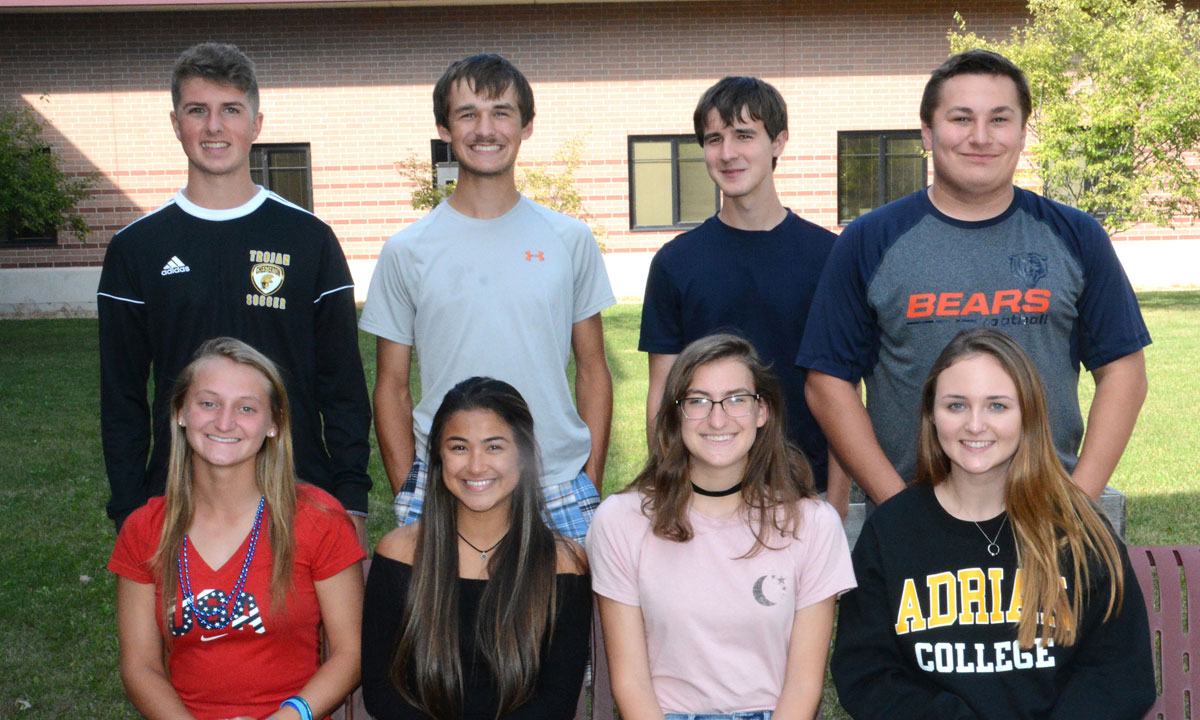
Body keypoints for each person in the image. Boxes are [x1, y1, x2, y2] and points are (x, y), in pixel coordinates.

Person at [797, 49, 1150, 508]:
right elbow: (827, 381)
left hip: (1044, 508)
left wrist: (1079, 500)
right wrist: (897, 507)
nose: (980, 137)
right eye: (961, 118)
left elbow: (1124, 370)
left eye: (1000, 120)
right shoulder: (869, 240)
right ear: (927, 131)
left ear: (1023, 133)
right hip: (912, 507)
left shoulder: (1076, 236)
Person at [831, 328, 1153, 720]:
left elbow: (1119, 670)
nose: (974, 425)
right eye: (956, 405)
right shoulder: (894, 532)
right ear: (931, 415)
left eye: (997, 406)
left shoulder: (1077, 528)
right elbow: (868, 675)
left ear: (1028, 415)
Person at [98, 42, 371, 540]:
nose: (214, 127)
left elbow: (343, 384)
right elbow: (121, 396)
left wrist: (351, 495)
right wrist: (128, 508)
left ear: (256, 123)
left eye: (231, 110)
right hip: (180, 495)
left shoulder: (308, 239)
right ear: (176, 123)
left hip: (299, 488)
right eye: (197, 111)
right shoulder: (136, 247)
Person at [588, 334, 855, 720]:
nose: (717, 418)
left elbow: (804, 685)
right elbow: (629, 681)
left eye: (736, 399)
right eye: (698, 400)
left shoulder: (812, 525)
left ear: (762, 411)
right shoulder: (622, 520)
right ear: (675, 414)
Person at [360, 53, 615, 541]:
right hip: (450, 483)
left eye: (501, 112)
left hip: (557, 485)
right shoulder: (407, 250)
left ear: (526, 126)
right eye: (467, 113)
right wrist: (408, 489)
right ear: (443, 127)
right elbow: (390, 386)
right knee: (448, 620)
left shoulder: (569, 239)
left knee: (561, 620)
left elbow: (592, 368)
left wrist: (590, 477)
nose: (485, 128)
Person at [107, 337, 365, 720]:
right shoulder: (145, 529)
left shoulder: (318, 520)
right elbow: (140, 666)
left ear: (273, 423)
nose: (224, 422)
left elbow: (351, 653)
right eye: (208, 403)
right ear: (181, 413)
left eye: (247, 408)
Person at [361, 376, 591, 720]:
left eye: (495, 446)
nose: (476, 465)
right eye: (459, 447)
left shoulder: (561, 560)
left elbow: (557, 699)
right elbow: (380, 689)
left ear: (523, 456)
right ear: (437, 459)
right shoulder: (401, 553)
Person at [639, 76, 848, 513]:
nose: (728, 152)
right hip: (705, 493)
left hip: (808, 490)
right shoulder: (675, 263)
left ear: (779, 142)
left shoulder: (830, 256)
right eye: (714, 139)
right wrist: (670, 489)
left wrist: (839, 501)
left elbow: (844, 388)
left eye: (744, 135)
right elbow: (662, 391)